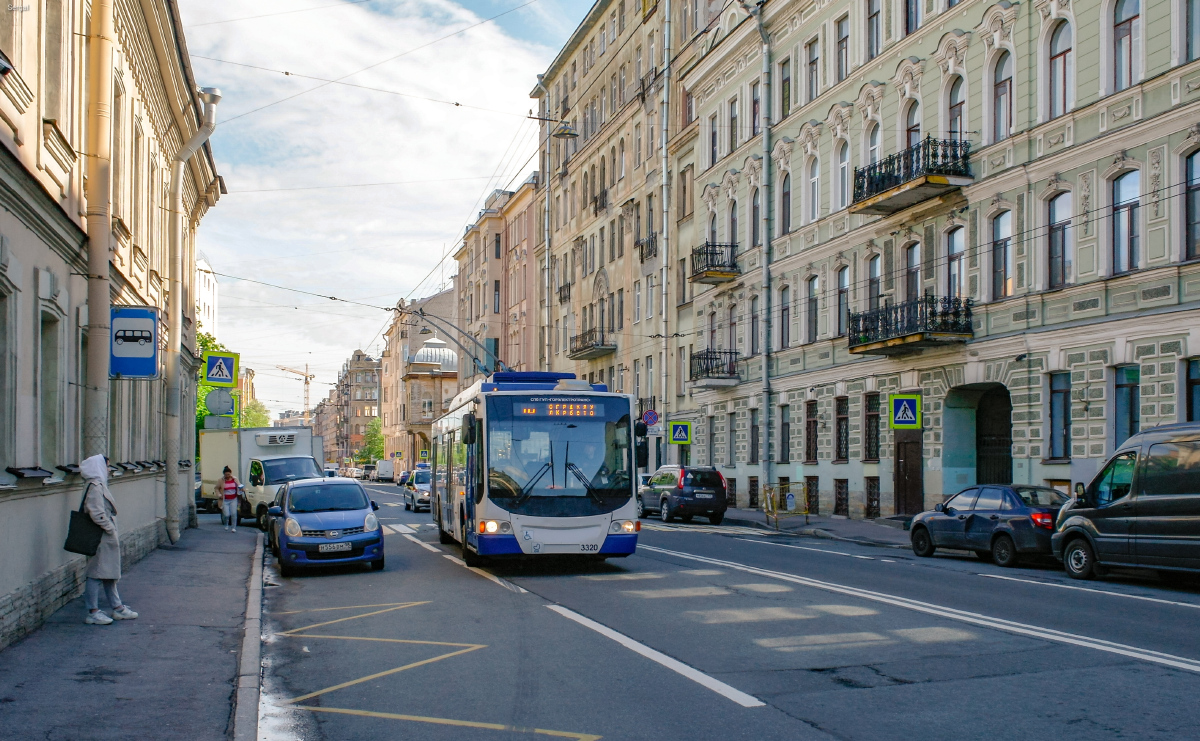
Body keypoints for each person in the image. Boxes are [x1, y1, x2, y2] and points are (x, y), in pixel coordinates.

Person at [79, 454, 138, 625]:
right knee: (95, 573)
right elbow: (96, 512)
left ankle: (117, 607)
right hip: (100, 537)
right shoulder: (95, 486)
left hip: (104, 537)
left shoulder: (98, 484)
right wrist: (110, 529)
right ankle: (93, 611)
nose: (108, 469)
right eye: (107, 466)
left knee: (109, 573)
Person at [218, 466, 243, 532]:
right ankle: (226, 524)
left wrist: (241, 489)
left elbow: (239, 485)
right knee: (226, 514)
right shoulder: (221, 480)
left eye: (228, 474)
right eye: (226, 474)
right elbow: (216, 488)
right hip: (225, 500)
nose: (227, 476)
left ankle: (233, 527)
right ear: (224, 474)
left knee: (234, 513)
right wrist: (219, 495)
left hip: (233, 499)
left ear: (231, 473)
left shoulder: (234, 479)